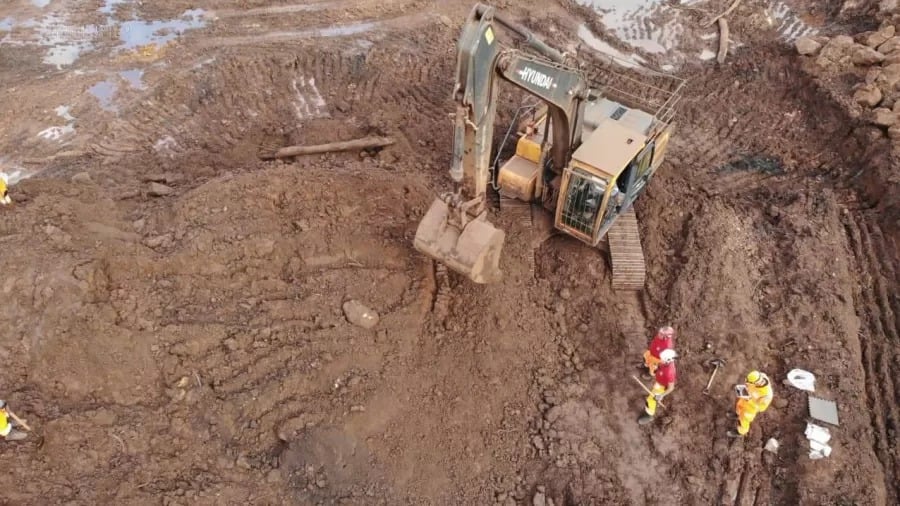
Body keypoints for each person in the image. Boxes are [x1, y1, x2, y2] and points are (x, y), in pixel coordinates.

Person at [729, 370, 774, 438]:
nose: (747, 383)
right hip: (747, 398)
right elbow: (749, 384)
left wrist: (749, 401)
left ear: (756, 383)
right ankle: (737, 414)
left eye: (749, 383)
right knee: (739, 405)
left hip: (752, 407)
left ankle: (741, 432)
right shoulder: (760, 376)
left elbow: (759, 406)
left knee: (744, 419)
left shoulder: (766, 395)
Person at [638, 348, 677, 425]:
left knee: (651, 399)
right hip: (659, 374)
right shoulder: (661, 360)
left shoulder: (670, 372)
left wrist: (661, 395)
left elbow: (671, 387)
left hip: (662, 384)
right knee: (648, 355)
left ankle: (649, 415)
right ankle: (649, 372)